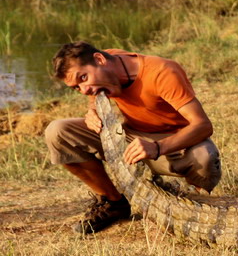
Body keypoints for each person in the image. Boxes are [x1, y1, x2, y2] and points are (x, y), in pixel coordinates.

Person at [45, 41, 221, 234]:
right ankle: (113, 203)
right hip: (131, 136)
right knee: (58, 131)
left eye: (84, 77)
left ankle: (189, 195)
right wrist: (92, 111)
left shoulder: (162, 72)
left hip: (177, 141)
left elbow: (202, 125)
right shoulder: (105, 68)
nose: (84, 89)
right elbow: (92, 97)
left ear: (100, 59)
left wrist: (157, 147)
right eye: (76, 87)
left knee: (205, 158)